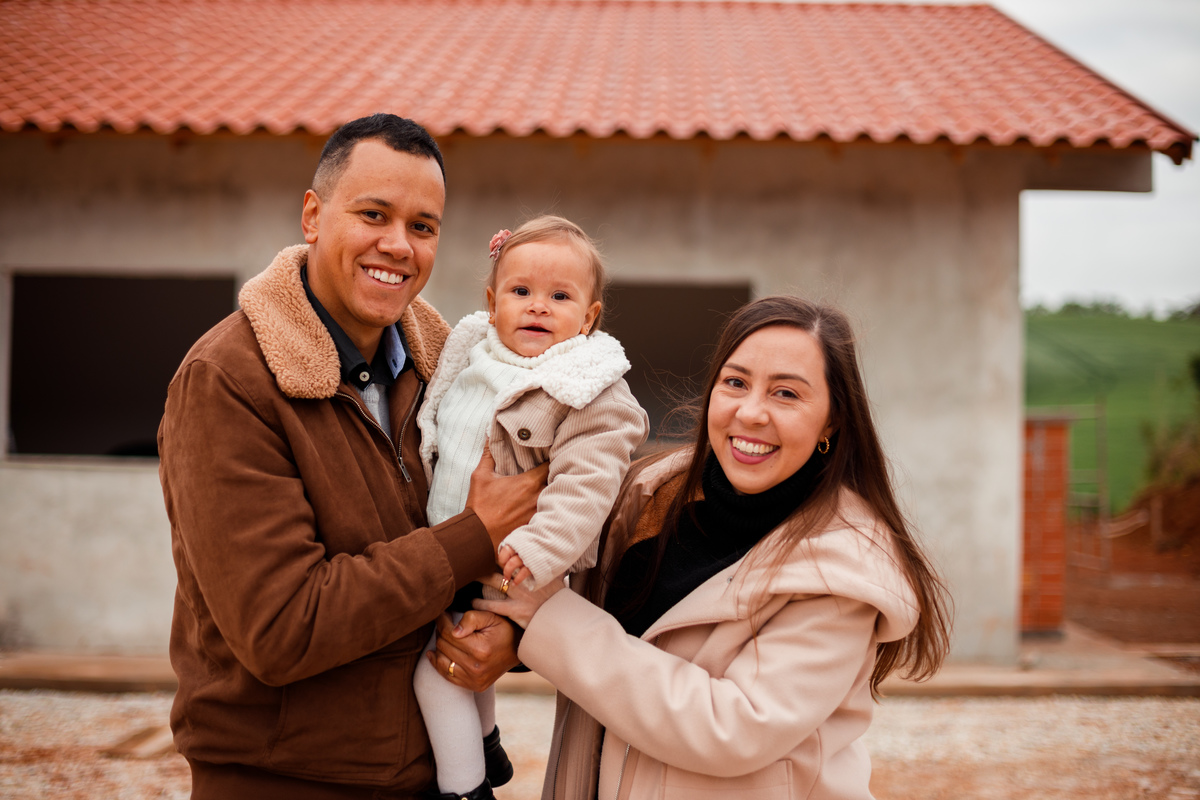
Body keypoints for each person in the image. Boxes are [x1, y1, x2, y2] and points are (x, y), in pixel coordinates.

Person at [157, 113, 545, 799]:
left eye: (423, 227)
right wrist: (472, 540)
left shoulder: (449, 370)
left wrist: (507, 638)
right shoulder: (229, 379)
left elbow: (511, 538)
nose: (398, 246)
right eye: (374, 214)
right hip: (284, 782)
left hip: (426, 776)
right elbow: (281, 627)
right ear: (312, 215)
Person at [454, 295, 952, 799]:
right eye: (735, 383)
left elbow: (733, 728)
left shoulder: (841, 567)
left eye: (786, 394)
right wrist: (509, 634)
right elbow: (570, 598)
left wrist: (546, 620)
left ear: (832, 422)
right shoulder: (648, 493)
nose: (751, 413)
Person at [412, 216, 649, 800]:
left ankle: (467, 789)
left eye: (560, 296)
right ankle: (488, 747)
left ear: (589, 318)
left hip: (508, 563)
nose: (537, 307)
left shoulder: (585, 386)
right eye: (521, 292)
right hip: (449, 546)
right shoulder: (472, 355)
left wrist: (538, 548)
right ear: (492, 304)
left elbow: (586, 486)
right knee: (465, 656)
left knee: (437, 673)